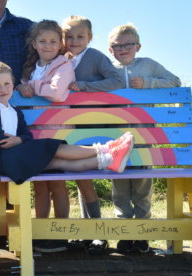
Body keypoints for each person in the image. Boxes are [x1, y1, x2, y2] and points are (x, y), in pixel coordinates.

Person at [0, 60, 134, 183]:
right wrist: (19, 140)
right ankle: (107, 148)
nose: (3, 89)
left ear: (13, 83)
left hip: (16, 158)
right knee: (50, 146)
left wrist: (18, 139)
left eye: (7, 84)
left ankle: (109, 160)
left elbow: (26, 135)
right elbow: (0, 140)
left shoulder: (15, 111)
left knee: (58, 162)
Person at [108, 23, 181, 254]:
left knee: (141, 185)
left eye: (127, 44)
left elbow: (174, 81)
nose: (122, 49)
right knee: (119, 185)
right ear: (110, 49)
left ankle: (142, 231)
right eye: (116, 45)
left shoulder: (148, 65)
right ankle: (124, 230)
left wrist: (148, 84)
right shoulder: (109, 69)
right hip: (116, 137)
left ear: (137, 46)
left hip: (144, 136)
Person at [62, 15, 124, 255]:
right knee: (80, 176)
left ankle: (97, 232)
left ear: (89, 37)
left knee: (87, 173)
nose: (74, 40)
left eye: (80, 36)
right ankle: (88, 230)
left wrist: (86, 87)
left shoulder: (95, 57)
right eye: (69, 36)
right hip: (72, 126)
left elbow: (116, 80)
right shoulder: (62, 58)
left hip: (96, 126)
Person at [16, 20, 74, 253]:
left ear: (60, 43)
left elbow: (57, 93)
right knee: (39, 186)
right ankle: (41, 232)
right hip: (34, 133)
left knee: (57, 185)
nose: (48, 46)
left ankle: (59, 233)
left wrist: (32, 85)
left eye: (53, 41)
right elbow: (22, 87)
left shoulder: (64, 65)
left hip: (57, 131)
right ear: (34, 43)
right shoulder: (30, 67)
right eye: (42, 41)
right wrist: (23, 86)